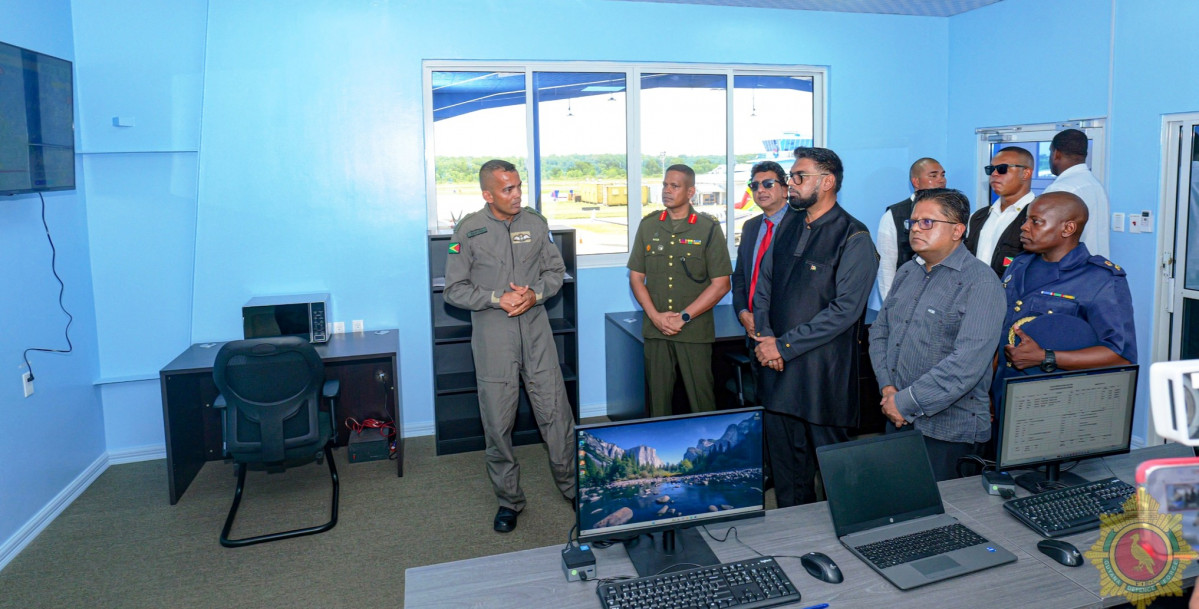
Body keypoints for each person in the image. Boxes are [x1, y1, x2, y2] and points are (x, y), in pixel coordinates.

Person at [443, 159, 576, 534]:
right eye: (508, 189)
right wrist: (495, 298)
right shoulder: (468, 231)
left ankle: (572, 488)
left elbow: (555, 271)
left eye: (519, 186)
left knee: (556, 415)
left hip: (536, 335)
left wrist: (535, 294)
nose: (517, 195)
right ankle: (509, 500)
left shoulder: (536, 223)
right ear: (488, 194)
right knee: (498, 425)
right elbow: (453, 290)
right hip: (494, 340)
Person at [752, 147, 877, 506]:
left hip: (822, 375)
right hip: (776, 369)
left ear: (827, 182)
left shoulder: (854, 236)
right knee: (787, 471)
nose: (790, 184)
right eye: (791, 177)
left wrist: (783, 346)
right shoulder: (788, 223)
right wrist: (766, 338)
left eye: (798, 177)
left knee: (835, 473)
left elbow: (845, 311)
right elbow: (765, 285)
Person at [869, 188, 1005, 481]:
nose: (916, 228)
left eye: (927, 222)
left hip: (949, 432)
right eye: (914, 222)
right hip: (897, 415)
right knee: (898, 507)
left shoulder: (981, 283)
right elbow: (880, 332)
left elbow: (966, 365)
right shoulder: (908, 272)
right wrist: (888, 389)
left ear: (957, 230)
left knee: (947, 522)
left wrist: (903, 402)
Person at [992, 191, 1136, 429]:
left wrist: (1046, 357)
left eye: (1035, 221)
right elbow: (1003, 328)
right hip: (1004, 390)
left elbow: (1121, 355)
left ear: (1067, 228)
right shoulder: (1019, 264)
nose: (1024, 228)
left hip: (1056, 404)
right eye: (1026, 220)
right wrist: (988, 388)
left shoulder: (1101, 279)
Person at [628, 164, 732, 417]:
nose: (667, 190)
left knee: (701, 400)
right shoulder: (649, 225)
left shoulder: (707, 228)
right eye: (665, 185)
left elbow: (721, 284)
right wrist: (655, 316)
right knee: (658, 402)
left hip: (694, 329)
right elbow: (636, 277)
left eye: (675, 186)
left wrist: (684, 317)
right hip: (656, 329)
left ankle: (708, 454)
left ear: (690, 191)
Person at [731, 160, 790, 364]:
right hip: (753, 331)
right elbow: (740, 277)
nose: (760, 190)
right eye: (754, 185)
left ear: (785, 189)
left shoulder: (801, 226)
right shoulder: (751, 227)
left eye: (768, 184)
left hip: (785, 336)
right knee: (760, 394)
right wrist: (742, 313)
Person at [876, 158, 947, 299]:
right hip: (906, 295)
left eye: (943, 175)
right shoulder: (894, 215)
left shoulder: (951, 213)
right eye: (933, 176)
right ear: (916, 182)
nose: (941, 180)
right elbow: (886, 267)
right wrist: (889, 305)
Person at [966, 147, 1035, 277]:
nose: (994, 174)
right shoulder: (977, 217)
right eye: (991, 169)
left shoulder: (1039, 219)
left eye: (1002, 168)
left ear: (1026, 173)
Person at [1043, 128, 1110, 257]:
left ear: (1056, 154)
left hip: (1069, 269)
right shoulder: (1096, 185)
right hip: (1095, 268)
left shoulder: (1060, 189)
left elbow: (1046, 237)